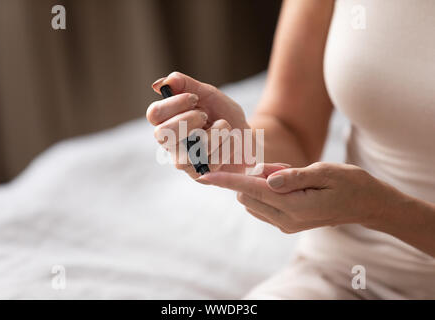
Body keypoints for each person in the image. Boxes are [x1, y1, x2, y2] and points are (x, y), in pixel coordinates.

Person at [146, 0, 435, 299]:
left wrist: (380, 209)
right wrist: (238, 146)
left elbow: (375, 206)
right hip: (345, 275)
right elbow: (292, 128)